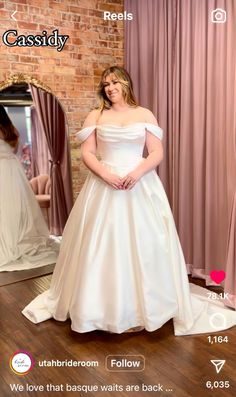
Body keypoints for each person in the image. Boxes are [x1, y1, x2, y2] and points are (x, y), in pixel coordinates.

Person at [22, 67, 236, 335]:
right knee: (101, 244)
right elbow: (87, 153)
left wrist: (136, 173)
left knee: (147, 243)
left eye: (114, 82)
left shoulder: (144, 114)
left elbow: (156, 152)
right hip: (103, 183)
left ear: (125, 84)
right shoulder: (96, 115)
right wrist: (106, 174)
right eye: (106, 84)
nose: (110, 87)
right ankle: (99, 309)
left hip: (141, 184)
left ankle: (148, 305)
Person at [0, 105, 59, 271]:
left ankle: (8, 242)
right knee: (17, 208)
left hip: (2, 171)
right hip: (13, 171)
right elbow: (15, 151)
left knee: (5, 208)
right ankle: (18, 237)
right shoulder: (12, 131)